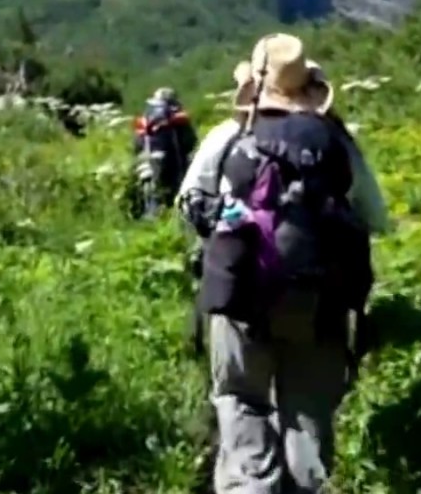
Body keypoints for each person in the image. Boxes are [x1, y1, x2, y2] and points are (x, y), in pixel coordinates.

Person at [176, 33, 389, 493]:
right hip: (319, 300)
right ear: (309, 88)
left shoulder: (229, 136)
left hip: (239, 292)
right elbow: (376, 217)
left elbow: (190, 206)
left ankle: (248, 485)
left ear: (253, 86)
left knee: (241, 399)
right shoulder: (335, 141)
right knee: (308, 409)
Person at [132, 87, 197, 213]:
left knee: (151, 193)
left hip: (147, 162)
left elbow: (137, 145)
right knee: (177, 191)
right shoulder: (178, 119)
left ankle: (150, 215)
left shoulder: (145, 120)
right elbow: (190, 142)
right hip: (175, 164)